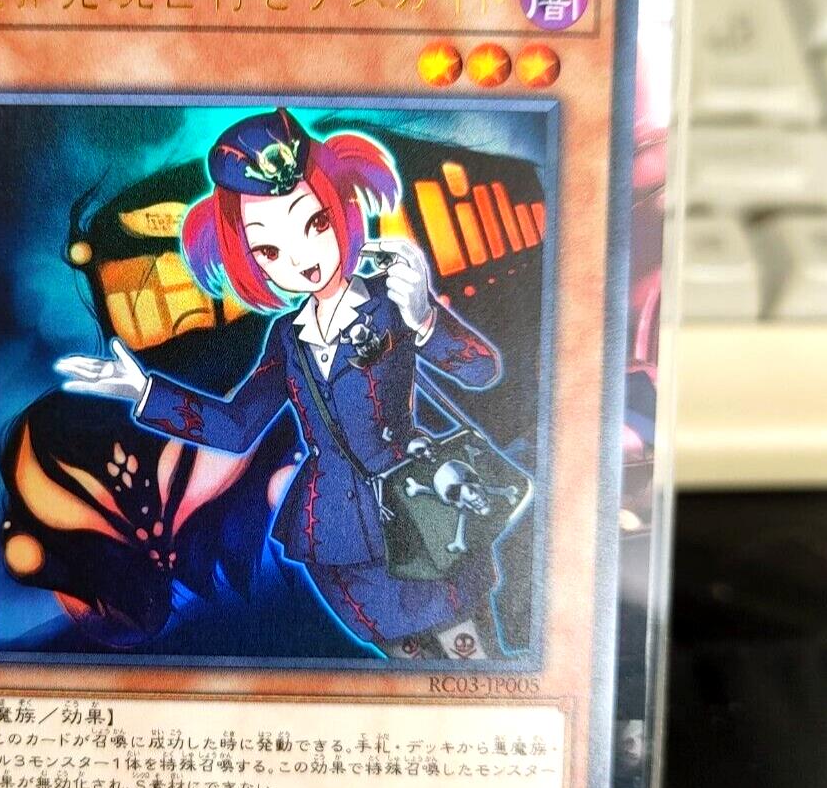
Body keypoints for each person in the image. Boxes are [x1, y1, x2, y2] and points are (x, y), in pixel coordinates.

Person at [56, 108, 505, 659]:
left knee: (469, 659)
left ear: (343, 209)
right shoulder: (286, 337)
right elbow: (239, 425)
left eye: (315, 223)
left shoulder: (391, 303)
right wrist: (144, 392)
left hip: (416, 513)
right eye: (268, 250)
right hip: (338, 539)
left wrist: (426, 318)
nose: (300, 257)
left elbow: (482, 370)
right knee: (406, 668)